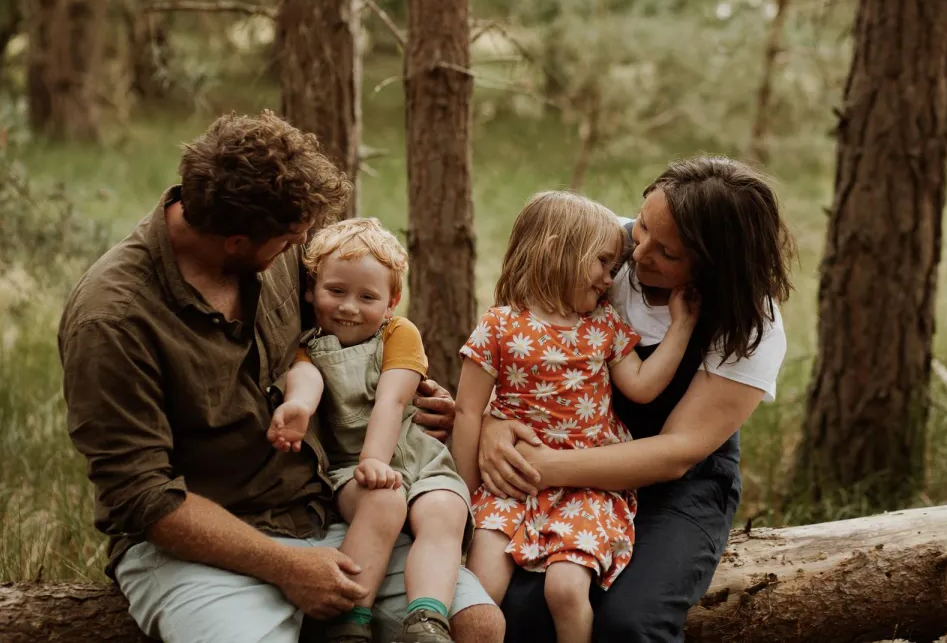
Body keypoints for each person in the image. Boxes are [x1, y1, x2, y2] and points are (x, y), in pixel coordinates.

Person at [59, 111, 502, 643]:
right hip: (205, 545)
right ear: (236, 240)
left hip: (331, 508)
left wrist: (417, 401)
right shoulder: (113, 320)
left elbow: (353, 338)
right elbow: (142, 499)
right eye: (290, 239)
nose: (300, 248)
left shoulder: (281, 253)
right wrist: (288, 569)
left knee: (476, 625)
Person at [481, 156, 794, 642]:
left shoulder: (750, 322)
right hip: (563, 447)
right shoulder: (601, 247)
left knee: (631, 622)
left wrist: (538, 466)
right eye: (642, 224)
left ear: (714, 266)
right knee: (523, 605)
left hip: (678, 484)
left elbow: (677, 453)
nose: (636, 251)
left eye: (665, 251)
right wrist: (491, 422)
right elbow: (520, 343)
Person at [451, 191, 699, 643]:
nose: (610, 278)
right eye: (604, 263)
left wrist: (681, 326)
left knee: (566, 590)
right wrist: (464, 500)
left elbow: (642, 387)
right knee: (481, 585)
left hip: (590, 482)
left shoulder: (602, 325)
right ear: (556, 253)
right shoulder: (500, 326)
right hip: (511, 482)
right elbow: (468, 412)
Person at [267, 218, 472, 643]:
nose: (349, 307)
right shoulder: (306, 343)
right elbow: (308, 379)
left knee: (444, 512)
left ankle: (427, 620)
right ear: (310, 289)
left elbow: (392, 400)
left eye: (367, 297)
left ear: (392, 301)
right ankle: (348, 619)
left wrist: (376, 457)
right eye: (336, 291)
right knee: (383, 503)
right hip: (348, 467)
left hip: (418, 456)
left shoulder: (399, 334)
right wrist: (299, 407)